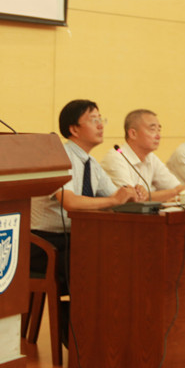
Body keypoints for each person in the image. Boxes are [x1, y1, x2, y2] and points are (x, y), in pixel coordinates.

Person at [30, 100, 141, 277]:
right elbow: (70, 202)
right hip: (45, 243)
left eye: (101, 119)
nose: (100, 125)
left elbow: (115, 197)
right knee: (101, 257)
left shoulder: (91, 163)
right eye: (93, 120)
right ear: (74, 129)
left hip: (75, 238)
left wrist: (132, 195)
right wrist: (114, 200)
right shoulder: (58, 156)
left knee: (121, 249)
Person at [100, 109, 185, 202]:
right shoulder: (116, 158)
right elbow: (131, 198)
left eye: (159, 130)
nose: (158, 136)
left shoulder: (151, 157)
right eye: (152, 130)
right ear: (133, 133)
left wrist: (177, 191)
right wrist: (175, 192)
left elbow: (177, 187)